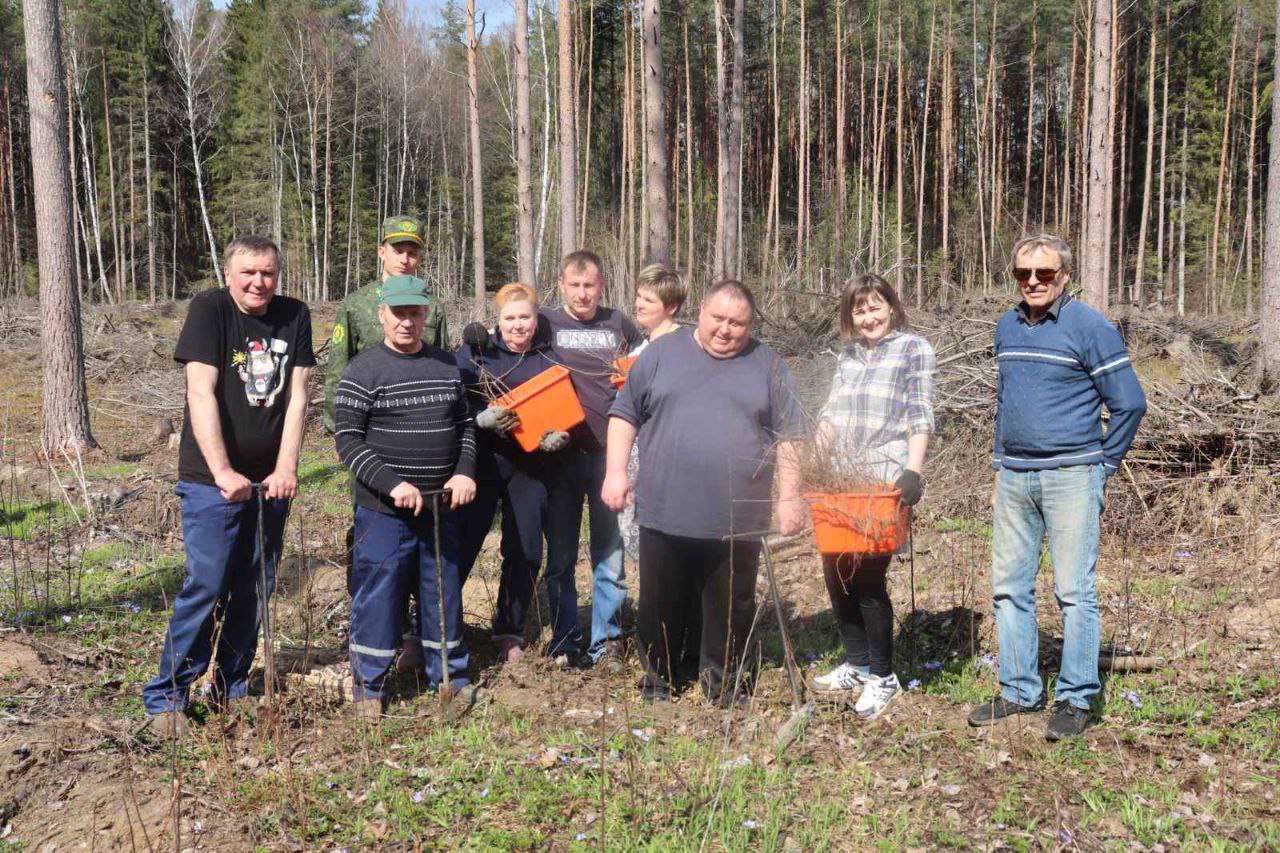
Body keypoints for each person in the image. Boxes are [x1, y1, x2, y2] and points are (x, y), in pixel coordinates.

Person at [967, 234, 1146, 740]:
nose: (1033, 282)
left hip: (1072, 476)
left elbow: (1130, 403)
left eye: (1044, 273)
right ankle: (1018, 690)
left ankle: (1076, 697)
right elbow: (1006, 401)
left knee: (1073, 592)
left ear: (1064, 275)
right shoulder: (1007, 326)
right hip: (1015, 477)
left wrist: (1102, 467)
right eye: (1023, 273)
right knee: (1009, 588)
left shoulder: (1090, 328)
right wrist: (1000, 467)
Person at [603, 280, 807, 707]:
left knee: (730, 607)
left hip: (738, 517)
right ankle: (658, 681)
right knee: (659, 604)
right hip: (665, 509)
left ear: (751, 325)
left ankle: (724, 685)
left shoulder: (768, 365)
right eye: (718, 318)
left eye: (738, 323)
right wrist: (615, 473)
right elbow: (624, 415)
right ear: (700, 310)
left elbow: (791, 436)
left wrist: (789, 497)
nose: (725, 330)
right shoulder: (659, 354)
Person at [142, 235, 315, 739]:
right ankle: (168, 696)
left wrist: (286, 468)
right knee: (209, 583)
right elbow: (200, 392)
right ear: (229, 274)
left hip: (270, 484)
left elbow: (299, 397)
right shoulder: (210, 309)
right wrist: (222, 471)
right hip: (211, 482)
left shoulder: (294, 314)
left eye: (268, 273)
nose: (259, 282)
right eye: (248, 273)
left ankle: (231, 689)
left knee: (254, 588)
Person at [334, 276, 478, 718]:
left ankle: (450, 679)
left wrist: (464, 472)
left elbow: (465, 426)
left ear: (425, 315)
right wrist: (393, 484)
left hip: (440, 507)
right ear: (382, 314)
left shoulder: (446, 365)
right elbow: (347, 439)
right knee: (379, 593)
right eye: (398, 313)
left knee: (441, 592)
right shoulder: (362, 370)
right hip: (384, 510)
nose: (406, 322)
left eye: (414, 313)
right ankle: (369, 687)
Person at [323, 214, 448, 672]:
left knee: (425, 548)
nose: (405, 258)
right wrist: (342, 436)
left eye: (413, 250)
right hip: (370, 447)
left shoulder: (433, 305)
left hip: (425, 455)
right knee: (372, 541)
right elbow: (338, 372)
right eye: (397, 249)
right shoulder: (358, 305)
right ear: (382, 252)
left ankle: (415, 633)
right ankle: (375, 631)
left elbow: (445, 369)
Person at [809, 274, 937, 719]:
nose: (868, 317)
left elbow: (920, 413)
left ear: (892, 307)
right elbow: (830, 414)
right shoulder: (847, 356)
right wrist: (813, 465)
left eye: (875, 306)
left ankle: (883, 677)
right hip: (840, 479)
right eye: (859, 310)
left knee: (866, 578)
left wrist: (912, 471)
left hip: (882, 480)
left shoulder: (913, 349)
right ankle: (858, 663)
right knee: (835, 571)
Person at [455, 283, 570, 664]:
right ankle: (437, 626)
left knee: (525, 550)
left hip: (531, 469)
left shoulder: (550, 358)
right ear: (498, 321)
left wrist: (561, 437)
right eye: (510, 318)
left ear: (536, 319)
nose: (518, 325)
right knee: (463, 544)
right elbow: (454, 404)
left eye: (525, 317)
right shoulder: (476, 355)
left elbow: (566, 411)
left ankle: (509, 630)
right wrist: (479, 418)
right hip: (482, 465)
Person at [542, 251, 644, 668]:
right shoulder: (544, 322)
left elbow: (647, 363)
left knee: (609, 554)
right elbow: (506, 344)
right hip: (560, 458)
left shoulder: (619, 323)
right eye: (575, 285)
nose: (582, 294)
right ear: (561, 285)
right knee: (561, 556)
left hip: (609, 457)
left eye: (590, 286)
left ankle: (608, 642)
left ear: (602, 285)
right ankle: (565, 639)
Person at [619, 264, 686, 558]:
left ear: (671, 307)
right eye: (639, 296)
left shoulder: (686, 347)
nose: (639, 304)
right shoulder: (640, 349)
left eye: (648, 300)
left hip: (669, 460)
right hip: (636, 458)